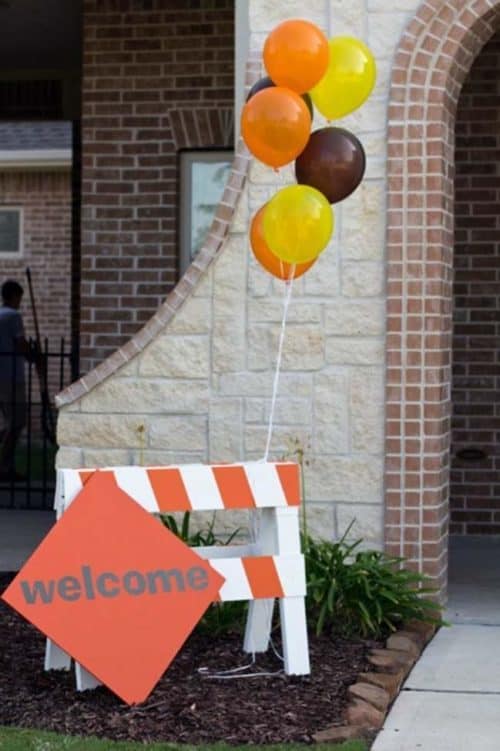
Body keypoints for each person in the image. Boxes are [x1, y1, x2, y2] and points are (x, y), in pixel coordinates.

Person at [0, 279, 30, 480]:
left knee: (9, 422)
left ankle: (5, 465)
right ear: (13, 296)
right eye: (19, 297)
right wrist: (34, 356)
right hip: (11, 376)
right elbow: (21, 344)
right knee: (17, 422)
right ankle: (4, 467)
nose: (20, 302)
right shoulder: (13, 316)